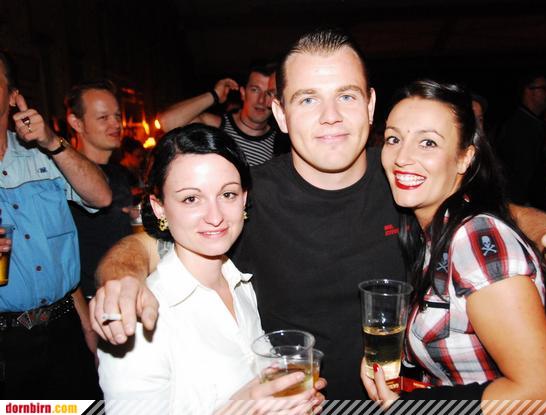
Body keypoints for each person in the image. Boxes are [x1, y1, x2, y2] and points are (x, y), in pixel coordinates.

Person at [90, 29, 546, 399]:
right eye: (308, 99)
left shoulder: (403, 177)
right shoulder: (246, 196)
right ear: (280, 114)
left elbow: (494, 218)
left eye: (347, 96)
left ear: (370, 105)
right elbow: (148, 242)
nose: (330, 115)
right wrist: (122, 278)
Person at [97, 123, 323, 414]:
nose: (215, 216)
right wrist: (241, 409)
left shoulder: (241, 285)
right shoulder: (140, 318)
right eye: (191, 199)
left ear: (244, 198)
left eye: (227, 194)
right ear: (159, 206)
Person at [362, 80, 546, 406]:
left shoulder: (476, 240)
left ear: (464, 158)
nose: (402, 157)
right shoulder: (432, 231)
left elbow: (540, 396)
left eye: (428, 142)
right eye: (393, 139)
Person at [0, 51, 111, 397]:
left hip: (64, 331)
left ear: (13, 96)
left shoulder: (42, 155)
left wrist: (51, 142)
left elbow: (101, 197)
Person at [65, 80, 134, 298]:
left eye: (117, 116)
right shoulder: (66, 177)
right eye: (103, 118)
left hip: (127, 290)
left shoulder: (120, 173)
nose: (116, 124)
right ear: (76, 123)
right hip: (90, 299)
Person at [158, 63, 279, 166]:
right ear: (243, 93)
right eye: (255, 90)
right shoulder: (217, 125)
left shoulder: (281, 141)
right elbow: (167, 122)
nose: (261, 100)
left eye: (269, 93)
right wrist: (214, 95)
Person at [496, 74, 546, 210]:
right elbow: (522, 174)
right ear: (528, 91)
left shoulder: (533, 123)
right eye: (543, 89)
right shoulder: (520, 126)